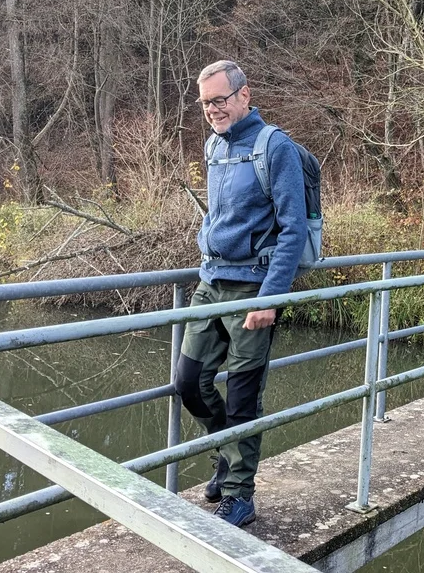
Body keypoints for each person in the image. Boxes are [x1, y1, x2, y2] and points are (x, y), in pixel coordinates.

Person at [173, 60, 307, 528]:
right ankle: (227, 455)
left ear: (244, 95)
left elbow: (292, 230)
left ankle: (240, 497)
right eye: (205, 103)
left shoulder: (275, 148)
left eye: (219, 100)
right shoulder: (213, 146)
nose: (212, 110)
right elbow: (219, 212)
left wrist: (269, 298)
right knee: (189, 382)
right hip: (211, 284)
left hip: (252, 287)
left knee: (242, 398)